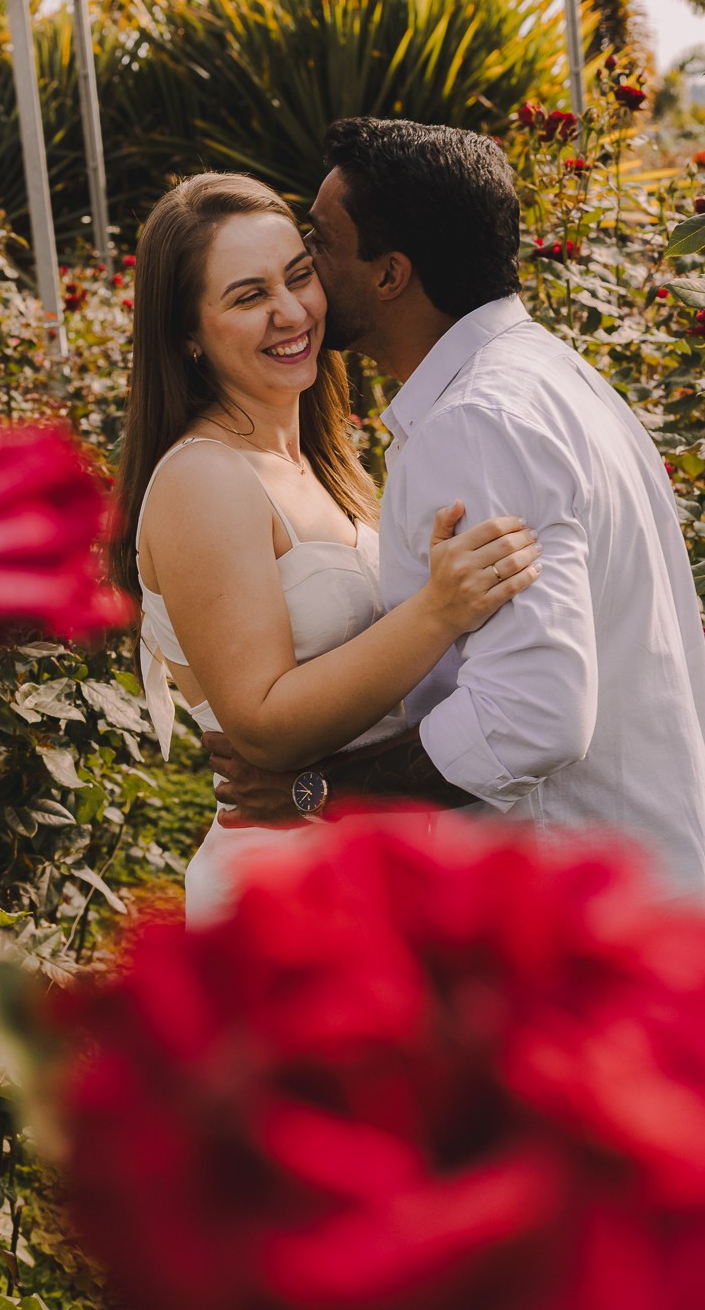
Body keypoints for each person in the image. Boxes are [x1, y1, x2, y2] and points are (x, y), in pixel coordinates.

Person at [208, 118, 705, 900]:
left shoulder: (478, 422)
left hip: (573, 904)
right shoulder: (549, 377)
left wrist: (317, 793)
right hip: (643, 876)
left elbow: (530, 717)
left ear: (390, 274)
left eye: (322, 245)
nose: (304, 270)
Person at [113, 172, 541, 923]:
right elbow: (265, 726)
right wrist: (439, 611)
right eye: (248, 297)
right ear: (187, 333)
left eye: (299, 276)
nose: (291, 312)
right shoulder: (204, 479)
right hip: (282, 888)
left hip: (364, 865)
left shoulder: (320, 460)